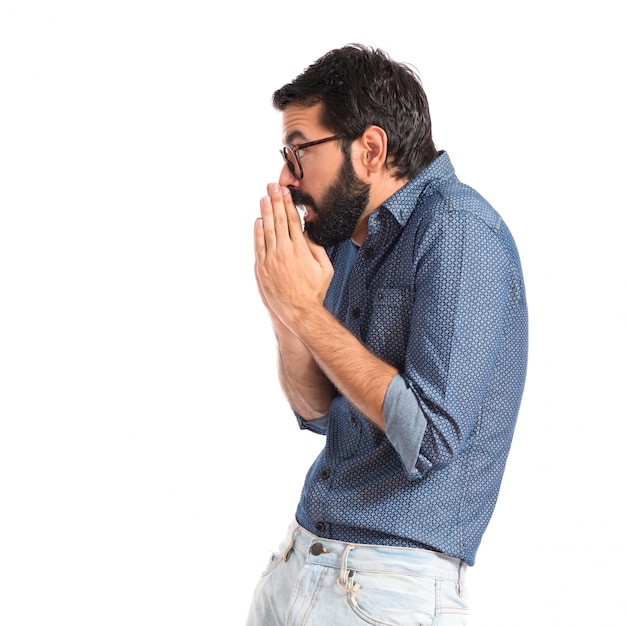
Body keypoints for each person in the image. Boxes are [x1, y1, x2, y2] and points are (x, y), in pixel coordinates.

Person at [248, 43, 528, 625]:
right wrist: (287, 315)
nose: (285, 176)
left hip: (382, 592)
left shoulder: (459, 232)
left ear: (370, 149)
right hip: (299, 561)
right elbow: (318, 410)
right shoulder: (352, 240)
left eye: (299, 151)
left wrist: (309, 313)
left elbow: (425, 441)